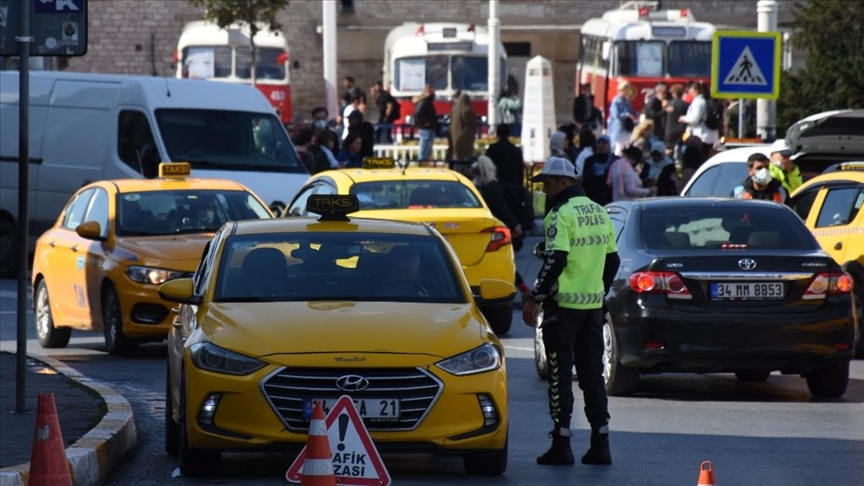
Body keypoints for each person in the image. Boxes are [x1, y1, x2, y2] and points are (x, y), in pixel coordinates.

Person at [522, 156, 621, 467]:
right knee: (592, 376)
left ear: (565, 182)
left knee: (560, 376)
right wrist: (598, 290)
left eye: (549, 183)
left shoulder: (560, 215)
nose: (546, 190)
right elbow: (613, 261)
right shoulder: (599, 211)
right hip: (592, 309)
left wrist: (535, 297)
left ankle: (562, 444)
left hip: (562, 309)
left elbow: (556, 260)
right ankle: (600, 444)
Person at [471, 156, 530, 300]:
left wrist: (515, 226)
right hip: (501, 231)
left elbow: (503, 210)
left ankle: (524, 292)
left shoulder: (489, 189)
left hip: (501, 232)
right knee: (503, 263)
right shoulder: (494, 186)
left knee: (504, 263)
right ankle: (523, 291)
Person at [678, 82, 719, 158]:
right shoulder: (705, 100)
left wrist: (683, 118)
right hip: (709, 134)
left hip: (701, 134)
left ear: (696, 91)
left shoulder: (698, 101)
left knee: (700, 156)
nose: (690, 92)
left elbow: (695, 118)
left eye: (691, 90)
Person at [581, 135, 616, 205]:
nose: (601, 145)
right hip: (594, 197)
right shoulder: (590, 160)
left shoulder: (615, 160)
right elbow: (585, 180)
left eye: (604, 143)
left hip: (611, 197)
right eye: (599, 143)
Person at [608, 81, 637, 152]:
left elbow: (631, 111)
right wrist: (626, 115)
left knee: (627, 148)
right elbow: (616, 115)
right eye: (626, 90)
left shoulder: (627, 101)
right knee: (618, 150)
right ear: (621, 90)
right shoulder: (616, 102)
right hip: (618, 129)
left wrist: (637, 113)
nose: (628, 92)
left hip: (627, 128)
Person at [448, 91, 477, 161]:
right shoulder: (467, 110)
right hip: (466, 135)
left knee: (456, 155)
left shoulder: (454, 108)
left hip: (454, 135)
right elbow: (472, 123)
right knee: (466, 156)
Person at [414, 84, 439, 161]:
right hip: (426, 128)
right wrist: (423, 123)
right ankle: (422, 163)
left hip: (429, 128)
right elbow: (418, 113)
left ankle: (425, 162)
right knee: (424, 148)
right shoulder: (424, 102)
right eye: (432, 91)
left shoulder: (427, 101)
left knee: (427, 148)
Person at [664, 83, 689, 155]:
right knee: (680, 147)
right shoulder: (685, 104)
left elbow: (664, 117)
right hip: (682, 129)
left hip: (670, 129)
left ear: (674, 93)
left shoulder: (669, 103)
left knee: (669, 151)